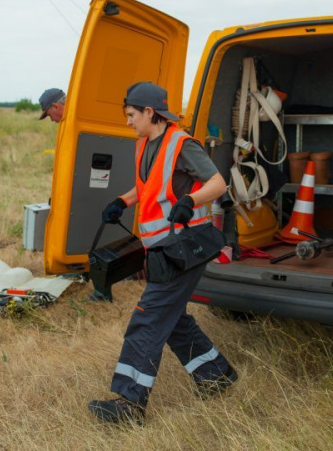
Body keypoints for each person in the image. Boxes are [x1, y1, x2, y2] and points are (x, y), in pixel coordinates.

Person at [88, 81, 237, 425]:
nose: (128, 122)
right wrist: (122, 202)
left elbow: (218, 184)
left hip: (185, 248)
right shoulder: (144, 145)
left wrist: (190, 201)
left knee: (148, 317)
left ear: (149, 112)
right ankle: (216, 376)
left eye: (131, 115)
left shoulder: (182, 144)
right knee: (171, 320)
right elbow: (148, 187)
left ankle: (129, 402)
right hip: (162, 249)